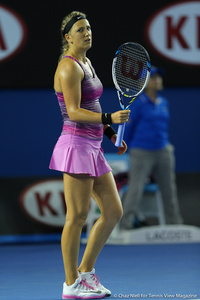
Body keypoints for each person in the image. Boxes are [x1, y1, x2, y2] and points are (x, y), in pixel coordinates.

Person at [49, 11, 130, 299]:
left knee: (113, 211)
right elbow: (73, 112)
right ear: (68, 37)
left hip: (94, 147)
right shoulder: (68, 68)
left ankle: (86, 273)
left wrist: (110, 135)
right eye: (80, 29)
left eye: (89, 28)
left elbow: (92, 105)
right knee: (77, 216)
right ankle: (71, 284)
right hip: (76, 146)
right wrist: (111, 117)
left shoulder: (87, 62)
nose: (87, 32)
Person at [120, 66, 183, 230]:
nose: (158, 81)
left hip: (164, 151)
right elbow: (127, 128)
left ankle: (175, 226)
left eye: (159, 78)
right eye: (153, 78)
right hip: (141, 152)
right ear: (144, 82)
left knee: (169, 189)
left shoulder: (164, 103)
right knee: (136, 189)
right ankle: (125, 226)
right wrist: (124, 147)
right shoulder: (138, 104)